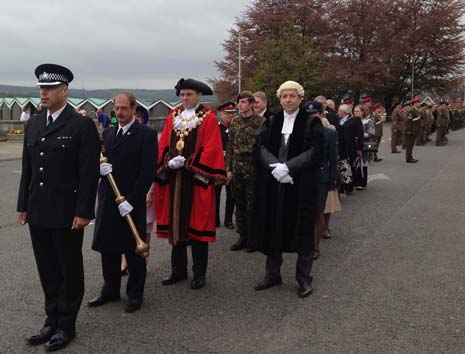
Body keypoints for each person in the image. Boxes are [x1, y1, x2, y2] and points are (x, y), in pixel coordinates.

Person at [17, 63, 100, 351]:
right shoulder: (35, 123)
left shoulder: (81, 125)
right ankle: (51, 319)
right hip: (38, 210)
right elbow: (28, 169)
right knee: (47, 268)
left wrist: (84, 212)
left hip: (66, 212)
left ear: (65, 90)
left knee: (68, 269)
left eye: (50, 88)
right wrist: (23, 206)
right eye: (41, 87)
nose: (44, 92)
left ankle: (67, 325)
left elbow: (88, 173)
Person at [249, 80, 324, 298]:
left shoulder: (311, 122)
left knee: (302, 230)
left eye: (292, 96)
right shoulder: (272, 121)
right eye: (284, 96)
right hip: (274, 184)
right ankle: (273, 274)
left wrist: (288, 167)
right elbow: (260, 146)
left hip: (299, 186)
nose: (288, 100)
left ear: (300, 98)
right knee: (274, 227)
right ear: (279, 99)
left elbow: (315, 151)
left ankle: (303, 278)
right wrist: (275, 167)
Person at [88, 92, 157, 313]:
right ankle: (110, 289)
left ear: (134, 108)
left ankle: (135, 294)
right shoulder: (108, 133)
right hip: (109, 198)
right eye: (116, 108)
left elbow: (147, 172)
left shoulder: (145, 135)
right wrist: (99, 171)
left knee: (133, 251)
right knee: (108, 247)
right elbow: (101, 161)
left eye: (124, 108)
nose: (119, 112)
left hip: (129, 202)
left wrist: (133, 200)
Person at [154, 78, 226, 290]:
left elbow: (212, 147)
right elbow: (163, 144)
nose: (185, 99)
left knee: (197, 227)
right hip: (175, 179)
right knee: (175, 223)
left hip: (195, 180)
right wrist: (168, 162)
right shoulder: (172, 116)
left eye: (189, 95)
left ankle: (199, 273)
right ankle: (178, 270)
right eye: (183, 95)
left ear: (199, 96)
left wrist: (190, 162)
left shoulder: (208, 118)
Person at [227, 92, 265, 252]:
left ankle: (253, 238)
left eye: (243, 102)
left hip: (252, 168)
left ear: (251, 104)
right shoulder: (234, 122)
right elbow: (230, 146)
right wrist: (228, 168)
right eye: (239, 102)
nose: (240, 105)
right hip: (237, 168)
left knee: (252, 204)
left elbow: (263, 148)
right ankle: (242, 236)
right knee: (239, 203)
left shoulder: (261, 122)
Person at [305, 101, 337, 260]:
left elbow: (332, 157)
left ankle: (314, 246)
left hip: (321, 177)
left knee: (318, 212)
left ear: (321, 114)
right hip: (303, 176)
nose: (312, 117)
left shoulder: (329, 133)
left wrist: (332, 179)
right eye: (309, 114)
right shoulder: (301, 132)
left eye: (315, 114)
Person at [215, 101, 236, 229]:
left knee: (231, 195)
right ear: (221, 114)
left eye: (232, 113)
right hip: (218, 165)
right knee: (215, 195)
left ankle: (228, 220)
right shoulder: (217, 128)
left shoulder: (236, 128)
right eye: (227, 113)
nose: (230, 116)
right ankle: (215, 219)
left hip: (232, 165)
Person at [354, 104, 374, 189]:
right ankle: (355, 181)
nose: (355, 113)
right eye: (354, 111)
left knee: (362, 164)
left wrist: (358, 134)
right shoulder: (353, 120)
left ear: (362, 112)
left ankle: (362, 182)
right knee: (355, 164)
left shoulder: (368, 121)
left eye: (357, 111)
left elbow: (370, 133)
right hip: (354, 144)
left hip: (364, 145)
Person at [404, 98, 421, 163]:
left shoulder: (416, 110)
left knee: (411, 144)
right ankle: (408, 158)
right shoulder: (411, 110)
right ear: (415, 103)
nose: (419, 104)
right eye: (418, 102)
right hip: (410, 130)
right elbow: (408, 121)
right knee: (409, 144)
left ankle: (410, 156)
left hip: (414, 130)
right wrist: (408, 130)